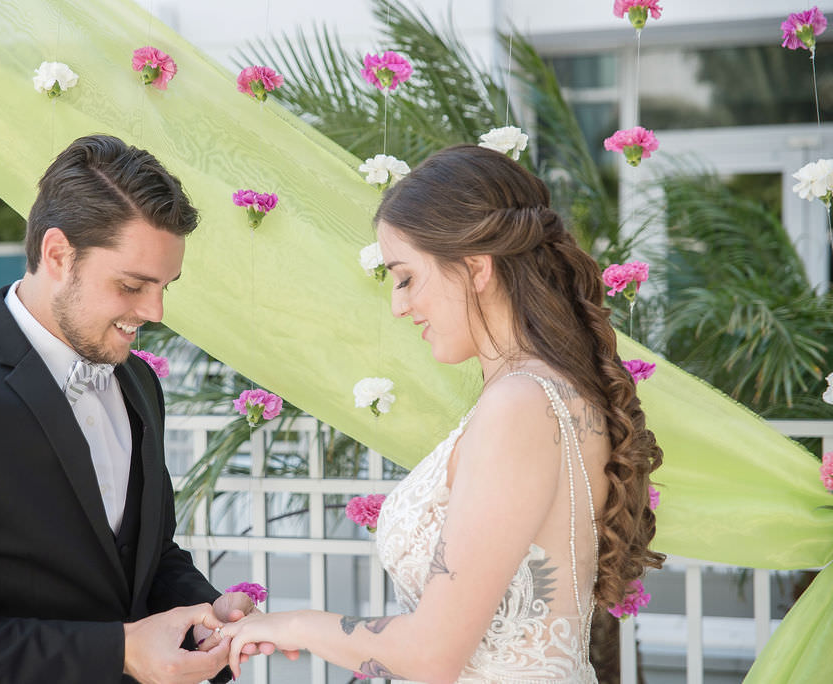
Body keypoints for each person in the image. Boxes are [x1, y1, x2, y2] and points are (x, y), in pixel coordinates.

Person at [221, 144, 665, 683]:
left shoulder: (519, 405)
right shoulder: (555, 391)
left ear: (476, 267)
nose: (398, 306)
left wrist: (290, 624)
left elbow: (432, 655)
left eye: (406, 277)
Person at [0, 134, 265, 684]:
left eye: (165, 286)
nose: (156, 310)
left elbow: (147, 557)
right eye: (133, 285)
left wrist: (208, 616)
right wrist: (117, 649)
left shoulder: (139, 383)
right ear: (58, 254)